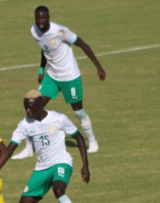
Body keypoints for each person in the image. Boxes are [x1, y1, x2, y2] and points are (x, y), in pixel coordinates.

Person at [12, 6, 106, 160]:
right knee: (33, 107)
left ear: (49, 17)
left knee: (78, 111)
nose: (40, 21)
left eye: (43, 18)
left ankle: (92, 141)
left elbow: (84, 45)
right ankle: (29, 148)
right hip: (52, 76)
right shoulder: (34, 31)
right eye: (38, 18)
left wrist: (98, 67)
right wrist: (42, 69)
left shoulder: (61, 32)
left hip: (70, 77)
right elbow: (44, 49)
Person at [6, 90, 90, 203]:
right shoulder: (24, 124)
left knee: (59, 190)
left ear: (40, 105)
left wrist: (85, 165)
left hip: (61, 162)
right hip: (41, 168)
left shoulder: (59, 118)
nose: (27, 112)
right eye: (25, 108)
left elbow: (79, 138)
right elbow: (9, 149)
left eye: (30, 108)